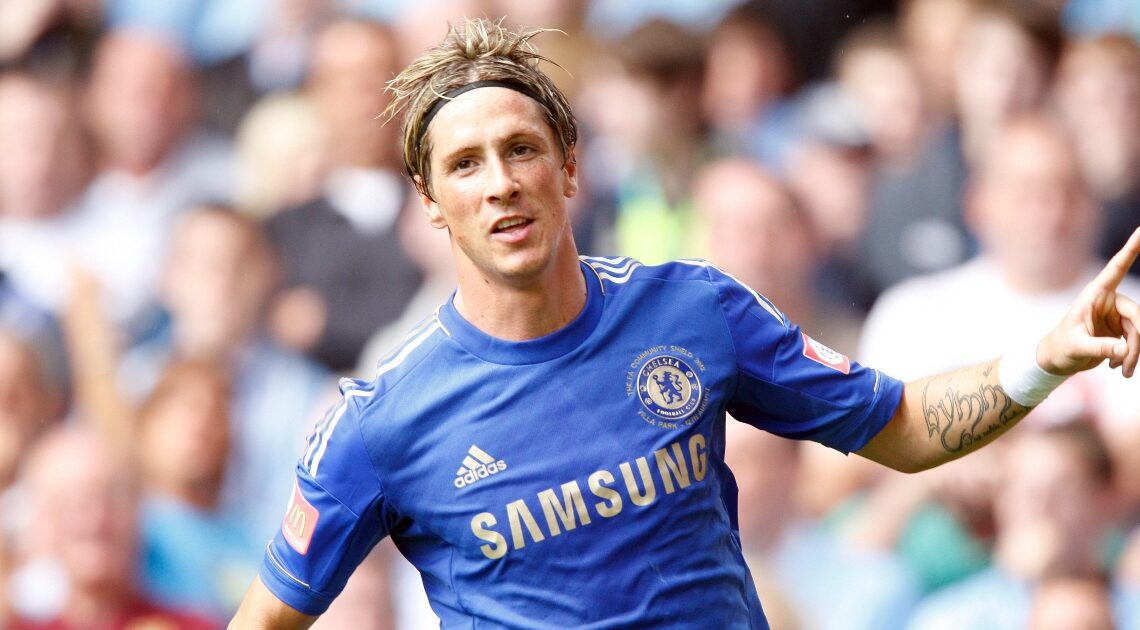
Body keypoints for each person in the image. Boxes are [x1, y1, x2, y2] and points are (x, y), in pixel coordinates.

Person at [230, 18, 1140, 628]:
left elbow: (899, 427)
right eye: (465, 165)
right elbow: (269, 617)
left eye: (521, 150)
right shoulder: (383, 419)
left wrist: (1044, 358)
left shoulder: (693, 309)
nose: (501, 180)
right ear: (430, 202)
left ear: (570, 166)